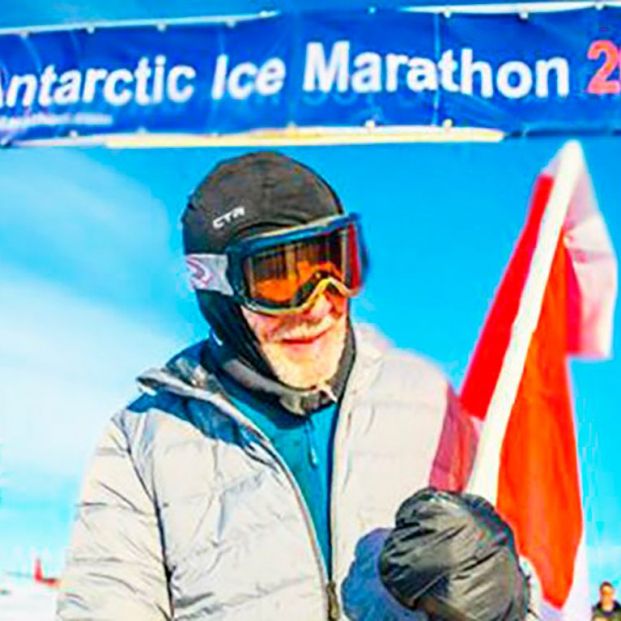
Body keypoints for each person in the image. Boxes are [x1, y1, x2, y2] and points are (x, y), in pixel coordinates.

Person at [57, 152, 530, 620]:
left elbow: (534, 589)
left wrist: (501, 606)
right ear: (218, 290)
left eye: (333, 265)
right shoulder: (145, 439)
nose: (319, 306)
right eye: (280, 279)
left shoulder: (429, 399)